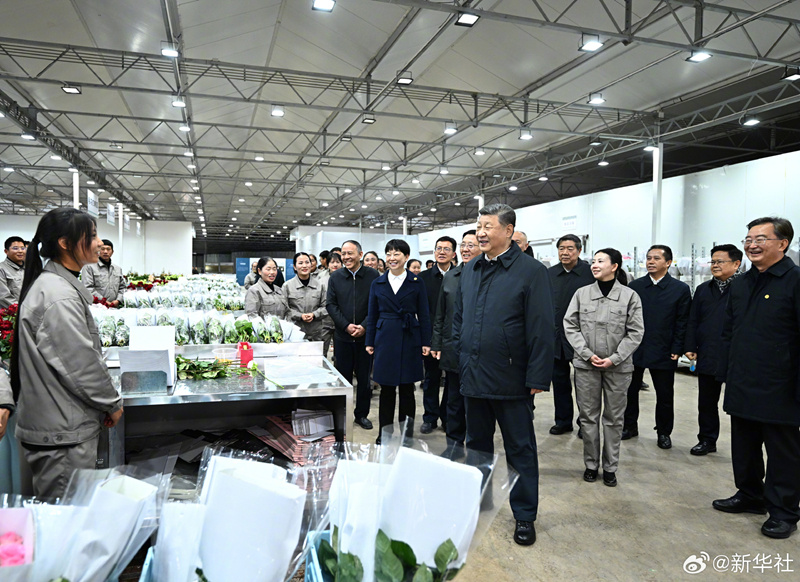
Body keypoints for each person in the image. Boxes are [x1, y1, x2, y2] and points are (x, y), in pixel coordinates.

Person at [454, 203, 554, 547]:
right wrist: (459, 359)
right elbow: (460, 319)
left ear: (508, 231)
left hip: (512, 378)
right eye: (478, 226)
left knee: (520, 449)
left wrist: (538, 377)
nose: (480, 233)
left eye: (488, 226)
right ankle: (478, 500)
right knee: (477, 445)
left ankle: (524, 515)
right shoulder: (469, 269)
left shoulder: (531, 271)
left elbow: (542, 327)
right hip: (473, 374)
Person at [10, 208, 123, 499]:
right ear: (64, 243)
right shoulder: (57, 295)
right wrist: (111, 402)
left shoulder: (56, 285)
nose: (99, 243)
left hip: (59, 424)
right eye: (93, 236)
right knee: (66, 521)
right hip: (62, 432)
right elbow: (79, 364)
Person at [713, 217, 800, 539]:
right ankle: (750, 495)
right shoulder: (742, 283)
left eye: (761, 238)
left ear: (783, 243)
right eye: (749, 239)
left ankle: (784, 511)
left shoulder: (794, 280)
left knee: (783, 452)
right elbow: (728, 331)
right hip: (743, 379)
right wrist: (725, 370)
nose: (752, 244)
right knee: (744, 445)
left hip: (782, 384)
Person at [564, 249, 644, 487]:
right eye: (594, 261)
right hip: (586, 366)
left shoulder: (630, 296)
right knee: (588, 417)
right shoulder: (582, 294)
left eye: (601, 261)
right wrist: (587, 355)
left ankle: (610, 467)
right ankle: (591, 464)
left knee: (614, 419)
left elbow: (636, 332)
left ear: (615, 266)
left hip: (618, 369)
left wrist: (615, 358)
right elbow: (570, 326)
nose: (594, 265)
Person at [623, 244, 691, 449]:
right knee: (629, 391)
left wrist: (677, 348)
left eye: (656, 258)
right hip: (635, 347)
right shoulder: (635, 287)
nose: (650, 262)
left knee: (664, 395)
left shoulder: (679, 289)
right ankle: (629, 426)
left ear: (668, 263)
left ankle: (663, 432)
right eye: (648, 258)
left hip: (664, 349)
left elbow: (682, 322)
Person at [365, 239, 430, 443]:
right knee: (386, 388)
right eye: (389, 254)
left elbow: (425, 314)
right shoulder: (378, 282)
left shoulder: (417, 282)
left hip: (410, 336)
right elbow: (372, 314)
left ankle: (406, 434)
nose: (392, 258)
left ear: (406, 257)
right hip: (385, 337)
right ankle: (385, 432)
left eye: (397, 254)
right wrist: (370, 341)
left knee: (407, 388)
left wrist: (426, 342)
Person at [684, 244, 742, 456]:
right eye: (713, 262)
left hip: (737, 355)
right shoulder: (703, 289)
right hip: (709, 351)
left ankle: (744, 445)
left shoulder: (745, 288)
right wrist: (690, 346)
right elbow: (693, 320)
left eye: (720, 262)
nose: (715, 266)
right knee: (706, 401)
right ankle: (707, 439)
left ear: (736, 264)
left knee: (739, 403)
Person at [431, 230, 479, 451]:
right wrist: (437, 343)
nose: (465, 249)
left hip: (479, 349)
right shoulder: (451, 276)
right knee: (453, 400)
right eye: (463, 245)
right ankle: (453, 445)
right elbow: (440, 314)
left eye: (471, 245)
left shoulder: (487, 274)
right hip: (453, 347)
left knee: (477, 402)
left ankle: (477, 445)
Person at [327, 240, 380, 430]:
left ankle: (361, 415)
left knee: (365, 379)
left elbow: (378, 303)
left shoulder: (373, 275)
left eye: (350, 253)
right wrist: (346, 325)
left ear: (360, 254)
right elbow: (331, 305)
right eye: (343, 253)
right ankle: (343, 414)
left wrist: (365, 326)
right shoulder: (336, 277)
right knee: (343, 378)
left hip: (366, 338)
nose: (346, 257)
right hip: (343, 337)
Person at [548, 234, 594, 437]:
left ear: (579, 250)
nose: (565, 253)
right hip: (556, 337)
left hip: (582, 339)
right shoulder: (549, 274)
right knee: (559, 382)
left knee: (585, 384)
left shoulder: (589, 274)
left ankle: (585, 423)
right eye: (561, 248)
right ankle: (563, 420)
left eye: (569, 249)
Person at [419, 236, 457, 434]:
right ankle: (430, 417)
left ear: (453, 254)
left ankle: (447, 417)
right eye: (438, 248)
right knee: (431, 379)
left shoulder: (460, 276)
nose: (441, 252)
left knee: (452, 381)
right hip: (431, 338)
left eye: (446, 249)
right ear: (434, 252)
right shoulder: (423, 278)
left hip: (452, 338)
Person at [283, 252, 333, 355]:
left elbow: (326, 307)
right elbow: (285, 309)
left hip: (316, 334)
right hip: (294, 334)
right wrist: (300, 316)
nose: (304, 266)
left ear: (311, 265)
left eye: (307, 262)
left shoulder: (320, 285)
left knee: (317, 362)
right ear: (295, 267)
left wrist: (314, 314)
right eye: (300, 263)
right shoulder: (287, 286)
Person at [80, 239, 127, 307]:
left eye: (108, 249)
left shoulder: (117, 269)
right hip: (97, 308)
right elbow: (87, 288)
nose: (105, 252)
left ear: (112, 252)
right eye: (102, 249)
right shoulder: (89, 267)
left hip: (115, 308)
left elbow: (122, 287)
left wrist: (118, 300)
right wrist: (102, 300)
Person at [0, 237, 26, 308]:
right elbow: (3, 296)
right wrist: (23, 310)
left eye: (23, 248)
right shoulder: (1, 269)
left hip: (30, 313)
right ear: (6, 251)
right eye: (15, 248)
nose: (20, 251)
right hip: (11, 315)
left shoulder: (29, 268)